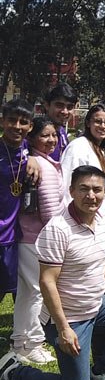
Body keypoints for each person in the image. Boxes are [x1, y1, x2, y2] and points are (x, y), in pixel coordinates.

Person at [0, 166, 105, 380]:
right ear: (71, 191)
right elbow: (47, 282)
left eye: (97, 190)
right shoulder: (57, 229)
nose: (91, 196)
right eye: (83, 189)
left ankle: (100, 372)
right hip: (67, 317)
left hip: (96, 306)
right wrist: (64, 329)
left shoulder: (102, 219)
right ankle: (14, 372)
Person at [12, 116, 65, 364]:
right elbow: (49, 209)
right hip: (37, 239)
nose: (51, 140)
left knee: (28, 292)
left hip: (32, 237)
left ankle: (23, 342)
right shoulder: (40, 166)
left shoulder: (42, 162)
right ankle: (30, 344)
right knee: (35, 292)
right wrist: (61, 235)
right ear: (32, 138)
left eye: (54, 135)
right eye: (45, 135)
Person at [0, 99, 32, 302]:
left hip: (13, 235)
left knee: (9, 287)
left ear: (30, 126)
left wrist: (35, 158)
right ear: (2, 121)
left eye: (23, 122)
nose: (17, 127)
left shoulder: (29, 149)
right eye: (12, 120)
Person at [60, 104, 105, 216]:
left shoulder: (102, 151)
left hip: (98, 220)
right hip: (79, 220)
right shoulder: (78, 147)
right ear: (88, 123)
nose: (103, 126)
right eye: (98, 121)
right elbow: (67, 187)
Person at [43, 83, 77, 161]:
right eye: (59, 105)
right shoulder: (34, 132)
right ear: (47, 105)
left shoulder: (62, 132)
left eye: (69, 107)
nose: (65, 111)